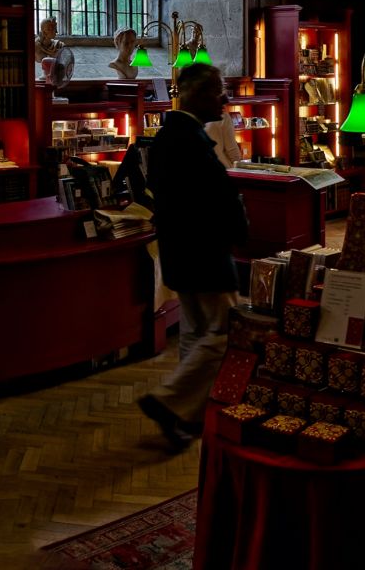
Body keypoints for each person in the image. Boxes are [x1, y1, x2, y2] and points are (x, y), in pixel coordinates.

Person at [138, 62, 248, 448]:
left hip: (183, 254)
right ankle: (168, 401)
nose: (226, 97)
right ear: (199, 95)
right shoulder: (189, 141)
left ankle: (189, 413)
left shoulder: (173, 137)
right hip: (204, 255)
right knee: (223, 335)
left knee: (201, 333)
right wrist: (237, 231)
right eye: (220, 90)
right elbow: (213, 201)